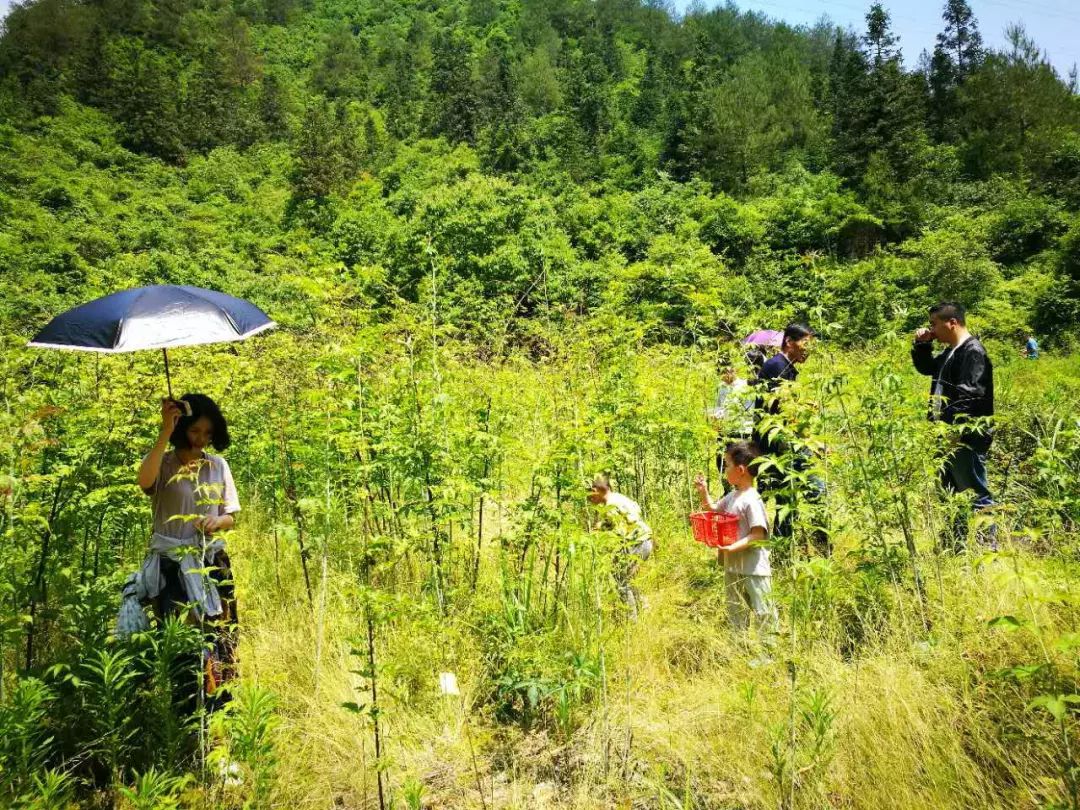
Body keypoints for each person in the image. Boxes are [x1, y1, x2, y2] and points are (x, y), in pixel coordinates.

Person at [135, 393, 241, 696]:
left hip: (212, 563)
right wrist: (164, 430)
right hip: (173, 568)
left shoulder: (217, 466)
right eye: (195, 431)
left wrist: (217, 522)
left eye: (208, 433)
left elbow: (230, 515)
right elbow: (144, 482)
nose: (201, 439)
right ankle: (187, 714)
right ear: (183, 428)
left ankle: (220, 710)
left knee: (220, 638)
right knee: (182, 645)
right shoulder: (164, 464)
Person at [912, 302, 996, 549]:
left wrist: (953, 432)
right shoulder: (951, 351)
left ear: (952, 323)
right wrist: (922, 345)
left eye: (934, 324)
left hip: (963, 437)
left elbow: (970, 395)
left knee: (973, 491)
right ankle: (955, 543)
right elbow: (926, 368)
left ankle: (985, 549)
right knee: (951, 493)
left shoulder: (972, 351)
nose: (932, 329)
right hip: (945, 436)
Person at [694, 441, 778, 651]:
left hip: (753, 568)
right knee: (736, 609)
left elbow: (757, 535)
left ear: (740, 470)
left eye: (727, 465)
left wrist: (730, 548)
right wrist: (703, 492)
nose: (724, 471)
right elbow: (713, 510)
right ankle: (739, 650)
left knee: (762, 610)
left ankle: (767, 653)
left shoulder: (751, 499)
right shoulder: (732, 496)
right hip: (733, 567)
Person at [752, 323, 827, 554]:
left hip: (786, 441)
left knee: (788, 498)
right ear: (789, 342)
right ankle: (816, 546)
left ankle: (787, 550)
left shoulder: (787, 366)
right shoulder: (777, 366)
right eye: (805, 343)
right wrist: (812, 440)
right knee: (810, 491)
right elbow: (781, 409)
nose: (809, 349)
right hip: (779, 445)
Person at [587, 474, 652, 619]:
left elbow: (619, 533)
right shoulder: (618, 498)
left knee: (621, 581)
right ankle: (643, 607)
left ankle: (631, 621)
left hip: (637, 543)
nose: (590, 499)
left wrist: (601, 531)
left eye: (590, 494)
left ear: (596, 490)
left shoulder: (611, 505)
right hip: (644, 540)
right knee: (628, 578)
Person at [708, 359, 755, 442]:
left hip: (741, 430)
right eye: (721, 373)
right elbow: (719, 406)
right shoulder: (721, 387)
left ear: (734, 371)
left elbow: (746, 410)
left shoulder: (744, 386)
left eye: (726, 372)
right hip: (724, 430)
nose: (724, 376)